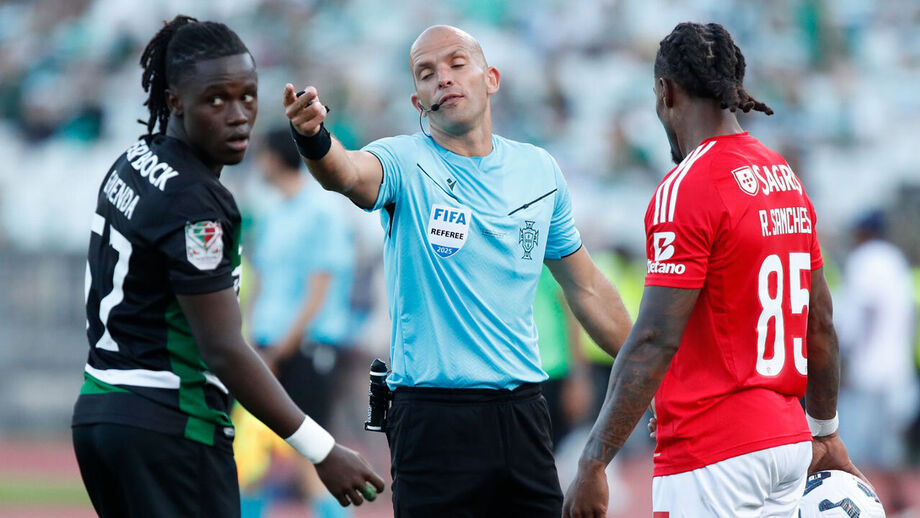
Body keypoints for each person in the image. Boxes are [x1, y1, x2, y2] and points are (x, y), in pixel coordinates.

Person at [283, 24, 632, 517]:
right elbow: (348, 174)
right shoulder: (403, 160)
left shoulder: (539, 170)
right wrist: (314, 138)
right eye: (426, 73)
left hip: (524, 414)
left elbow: (587, 288)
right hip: (431, 418)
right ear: (417, 100)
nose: (442, 78)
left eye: (456, 64)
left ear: (491, 78)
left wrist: (653, 372)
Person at [71, 16, 383, 518]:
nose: (239, 115)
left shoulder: (134, 159)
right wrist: (321, 448)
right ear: (174, 100)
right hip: (172, 420)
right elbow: (220, 346)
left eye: (248, 96)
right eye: (216, 99)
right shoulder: (197, 199)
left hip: (101, 411)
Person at [564, 22, 862, 518]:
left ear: (665, 90)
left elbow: (655, 337)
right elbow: (821, 323)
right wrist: (825, 431)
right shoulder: (784, 176)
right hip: (787, 443)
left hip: (714, 456)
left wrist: (594, 461)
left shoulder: (687, 186)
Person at [248, 127, 358, 518]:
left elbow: (320, 288)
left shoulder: (321, 210)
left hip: (306, 348)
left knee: (312, 455)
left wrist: (282, 347)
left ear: (275, 158)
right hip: (266, 346)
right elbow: (263, 283)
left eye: (261, 155)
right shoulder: (272, 211)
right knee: (251, 457)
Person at [836, 210, 918, 513]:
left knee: (854, 451)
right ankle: (903, 507)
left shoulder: (865, 260)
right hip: (898, 368)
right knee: (891, 450)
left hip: (869, 371)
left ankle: (860, 508)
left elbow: (858, 315)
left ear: (863, 232)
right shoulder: (895, 259)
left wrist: (845, 358)